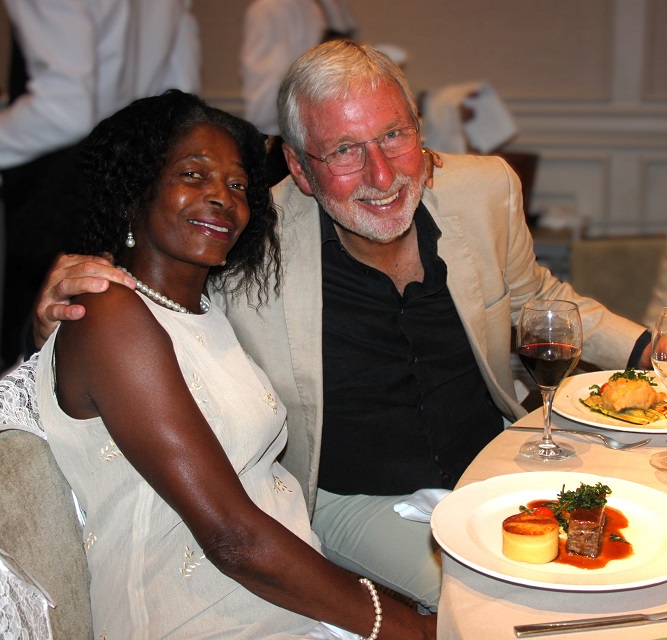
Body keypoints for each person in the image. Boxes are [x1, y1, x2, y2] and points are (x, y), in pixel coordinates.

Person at [31, 41, 651, 611]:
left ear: (419, 131)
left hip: (492, 461)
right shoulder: (251, 235)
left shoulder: (484, 191)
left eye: (393, 136)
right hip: (355, 500)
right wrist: (58, 317)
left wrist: (648, 346)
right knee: (510, 603)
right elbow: (153, 297)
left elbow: (537, 299)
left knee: (628, 557)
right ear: (300, 169)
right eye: (345, 151)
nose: (382, 175)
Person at [25, 90, 434, 638]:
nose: (222, 196)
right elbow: (233, 539)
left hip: (283, 597)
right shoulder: (108, 312)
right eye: (193, 175)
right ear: (133, 191)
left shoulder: (207, 309)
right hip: (201, 618)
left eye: (238, 185)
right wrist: (408, 628)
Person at [0, 0, 200, 368]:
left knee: (29, 349)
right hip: (130, 182)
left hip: (51, 190)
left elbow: (64, 110)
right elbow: (178, 96)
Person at [241, 0, 356, 184]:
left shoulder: (270, 8)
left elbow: (265, 93)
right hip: (309, 131)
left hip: (281, 138)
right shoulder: (307, 7)